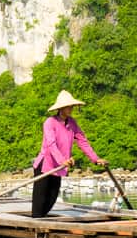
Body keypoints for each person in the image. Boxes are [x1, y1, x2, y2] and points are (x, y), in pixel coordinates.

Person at [31, 90, 107, 218]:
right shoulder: (50, 122)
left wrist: (95, 159)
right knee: (40, 201)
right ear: (61, 108)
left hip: (59, 166)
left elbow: (83, 141)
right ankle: (36, 227)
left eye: (72, 106)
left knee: (52, 198)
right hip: (46, 165)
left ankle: (42, 224)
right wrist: (62, 161)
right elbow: (51, 145)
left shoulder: (72, 123)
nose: (71, 108)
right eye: (68, 106)